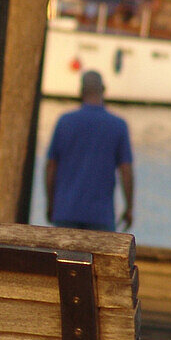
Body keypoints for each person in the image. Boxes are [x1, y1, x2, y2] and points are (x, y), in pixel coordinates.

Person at [45, 70, 134, 231]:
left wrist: (51, 204)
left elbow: (51, 167)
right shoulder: (118, 125)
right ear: (104, 89)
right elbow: (126, 171)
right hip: (101, 216)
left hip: (66, 212)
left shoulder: (64, 122)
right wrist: (129, 208)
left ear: (81, 91)